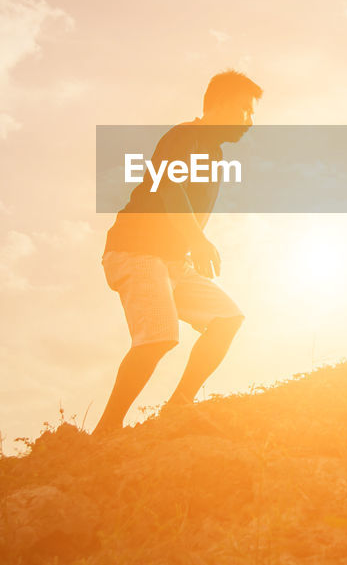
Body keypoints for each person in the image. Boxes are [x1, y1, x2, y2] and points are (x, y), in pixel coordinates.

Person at [93, 70, 262, 434]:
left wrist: (190, 247)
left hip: (172, 261)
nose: (250, 121)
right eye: (244, 110)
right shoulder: (186, 135)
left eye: (253, 113)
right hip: (136, 250)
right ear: (217, 104)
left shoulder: (214, 155)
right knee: (159, 335)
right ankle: (106, 429)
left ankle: (178, 407)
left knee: (227, 319)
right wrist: (198, 241)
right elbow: (169, 188)